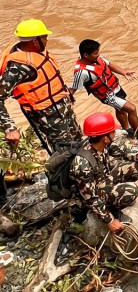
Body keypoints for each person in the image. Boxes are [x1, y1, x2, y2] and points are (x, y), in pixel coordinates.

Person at [0, 20, 82, 205]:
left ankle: (81, 177)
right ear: (35, 40)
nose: (47, 39)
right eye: (45, 36)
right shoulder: (18, 67)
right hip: (47, 116)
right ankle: (66, 190)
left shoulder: (34, 52)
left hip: (61, 108)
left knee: (78, 142)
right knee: (64, 151)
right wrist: (9, 127)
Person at [70, 112, 138, 234]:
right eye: (113, 132)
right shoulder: (82, 166)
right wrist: (109, 220)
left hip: (103, 180)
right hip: (90, 195)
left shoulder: (99, 143)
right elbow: (90, 198)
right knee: (132, 191)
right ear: (105, 138)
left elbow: (122, 152)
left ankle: (112, 199)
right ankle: (111, 208)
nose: (115, 134)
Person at [70, 39, 138, 144]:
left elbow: (109, 65)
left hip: (115, 87)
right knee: (131, 109)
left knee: (120, 109)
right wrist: (67, 100)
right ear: (86, 55)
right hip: (108, 96)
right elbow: (73, 88)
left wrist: (124, 72)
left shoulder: (97, 59)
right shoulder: (81, 72)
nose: (98, 55)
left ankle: (126, 130)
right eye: (95, 53)